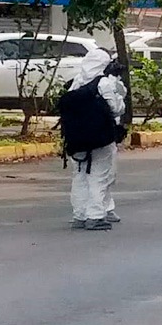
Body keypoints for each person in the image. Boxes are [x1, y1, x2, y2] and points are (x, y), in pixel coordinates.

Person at [60, 49, 127, 231]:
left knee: (80, 176)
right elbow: (116, 109)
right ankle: (96, 215)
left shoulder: (76, 81)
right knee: (99, 177)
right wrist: (120, 94)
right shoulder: (104, 83)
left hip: (77, 139)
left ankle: (79, 215)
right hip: (101, 138)